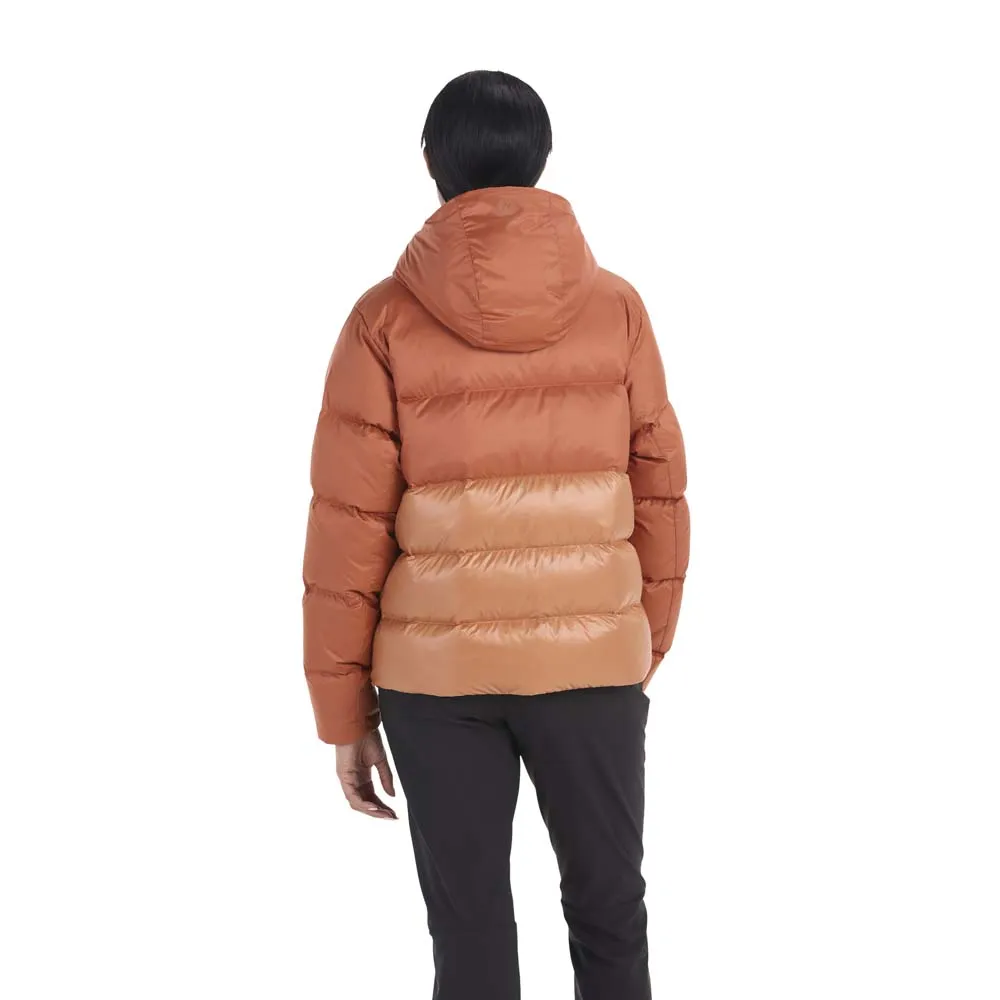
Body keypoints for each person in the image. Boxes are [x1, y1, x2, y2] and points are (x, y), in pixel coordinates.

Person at [302, 69, 689, 1000]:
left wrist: (344, 715)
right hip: (592, 669)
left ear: (430, 161)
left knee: (467, 930)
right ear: (540, 160)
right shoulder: (618, 308)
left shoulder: (383, 319)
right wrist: (634, 647)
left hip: (437, 679)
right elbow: (662, 494)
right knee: (612, 914)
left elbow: (347, 526)